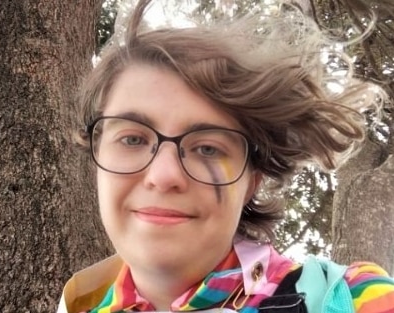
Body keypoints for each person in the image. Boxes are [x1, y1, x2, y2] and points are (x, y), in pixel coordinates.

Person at [58, 0, 394, 312]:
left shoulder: (352, 296)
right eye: (132, 139)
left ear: (252, 180)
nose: (163, 175)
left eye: (208, 148)